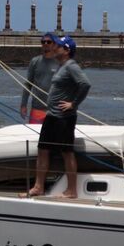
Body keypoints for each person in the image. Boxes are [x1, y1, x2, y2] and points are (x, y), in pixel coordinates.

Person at [23, 35, 90, 199]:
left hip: (63, 118)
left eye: (58, 46)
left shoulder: (71, 66)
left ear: (66, 50)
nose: (54, 48)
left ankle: (72, 190)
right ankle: (38, 187)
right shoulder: (61, 66)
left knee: (67, 152)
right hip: (52, 116)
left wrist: (73, 104)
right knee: (43, 150)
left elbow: (85, 84)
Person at [20, 32, 59, 124]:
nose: (45, 44)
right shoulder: (35, 61)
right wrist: (23, 105)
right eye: (43, 42)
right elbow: (28, 84)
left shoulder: (60, 63)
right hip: (37, 110)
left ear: (54, 44)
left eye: (48, 42)